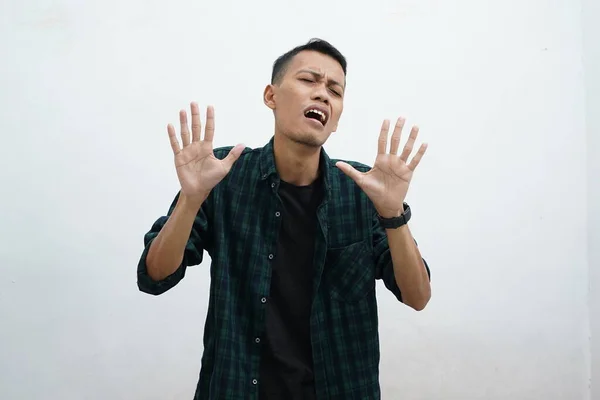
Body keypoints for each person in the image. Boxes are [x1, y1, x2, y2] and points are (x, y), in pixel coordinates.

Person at [137, 38, 431, 400]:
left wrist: (392, 216)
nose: (323, 95)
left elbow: (417, 296)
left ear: (336, 118)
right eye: (309, 80)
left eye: (334, 91)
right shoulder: (223, 176)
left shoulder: (363, 191)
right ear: (271, 96)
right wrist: (192, 199)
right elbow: (155, 275)